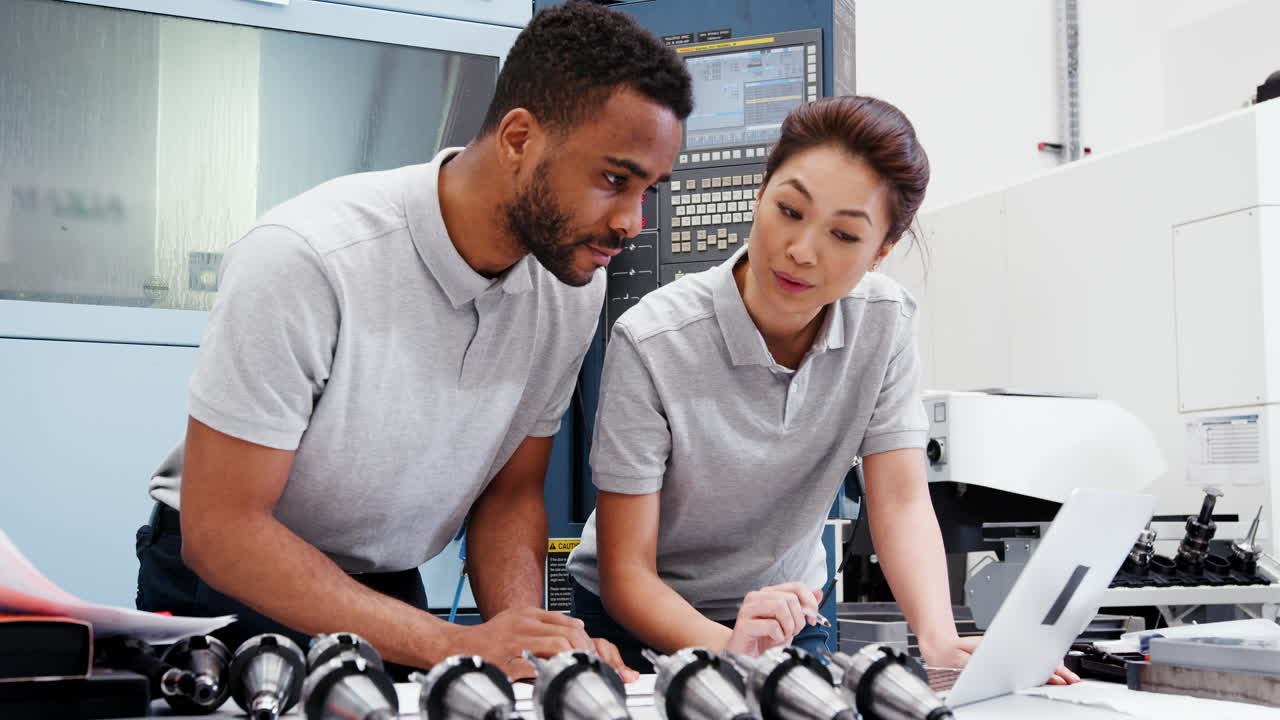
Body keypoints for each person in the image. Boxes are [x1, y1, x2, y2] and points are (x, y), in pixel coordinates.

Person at [134, 0, 691, 680]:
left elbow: (510, 497)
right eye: (613, 179)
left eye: (649, 191)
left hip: (389, 589)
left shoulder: (570, 286)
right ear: (519, 138)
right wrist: (451, 644)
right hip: (231, 589)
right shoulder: (306, 257)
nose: (633, 222)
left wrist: (535, 647)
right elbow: (223, 533)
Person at [565, 96, 1081, 685]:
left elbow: (902, 501)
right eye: (788, 210)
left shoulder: (884, 324)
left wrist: (938, 639)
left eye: (842, 234)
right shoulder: (656, 339)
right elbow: (627, 574)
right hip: (637, 625)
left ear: (880, 251)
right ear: (760, 194)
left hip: (786, 614)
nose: (802, 251)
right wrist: (730, 645)